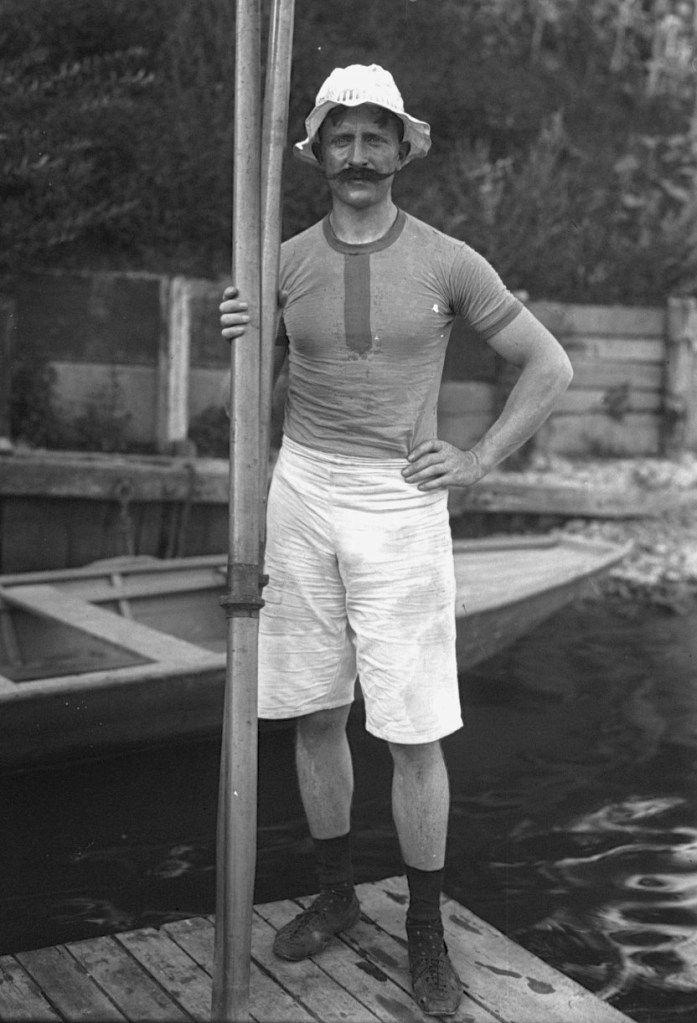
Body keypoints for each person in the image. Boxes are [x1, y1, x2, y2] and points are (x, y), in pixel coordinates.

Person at [220, 63, 573, 1016]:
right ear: (318, 152)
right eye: (342, 136)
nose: (358, 154)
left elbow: (548, 363)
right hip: (300, 489)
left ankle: (423, 927)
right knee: (313, 710)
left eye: (376, 136)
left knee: (414, 728)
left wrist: (479, 459)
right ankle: (336, 895)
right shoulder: (280, 260)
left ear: (401, 150)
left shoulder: (450, 260)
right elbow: (251, 404)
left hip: (398, 500)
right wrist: (243, 338)